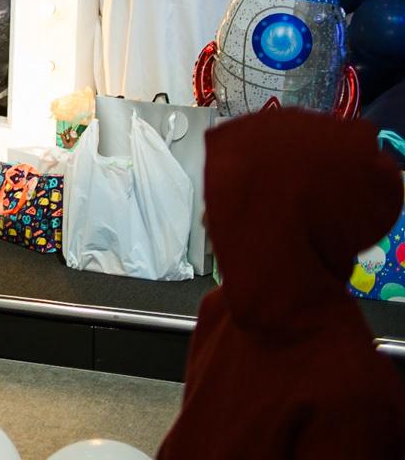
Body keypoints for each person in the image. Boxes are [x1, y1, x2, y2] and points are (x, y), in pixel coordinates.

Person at [156, 109, 405, 458]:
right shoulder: (223, 313)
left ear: (280, 226)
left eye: (229, 206)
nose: (206, 221)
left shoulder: (352, 392)